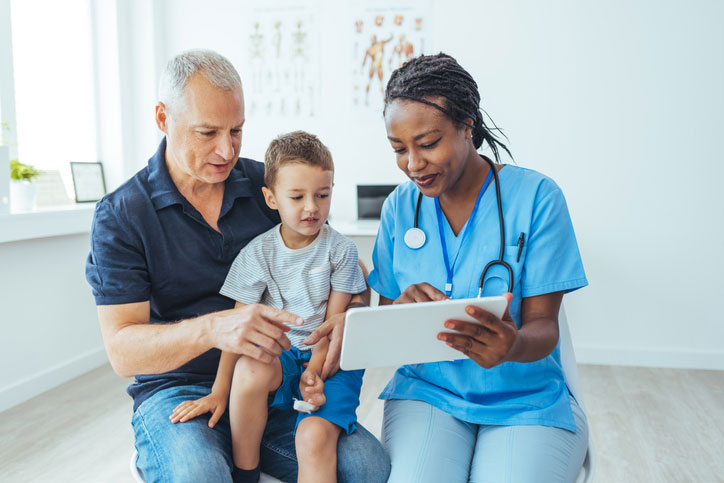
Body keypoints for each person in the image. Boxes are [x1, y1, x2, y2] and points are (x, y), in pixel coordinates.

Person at [85, 49, 389, 483]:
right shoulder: (122, 215)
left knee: (367, 468)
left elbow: (339, 267)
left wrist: (351, 311)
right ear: (161, 118)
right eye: (207, 132)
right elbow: (122, 350)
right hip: (181, 392)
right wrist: (215, 328)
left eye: (237, 130)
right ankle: (194, 456)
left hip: (279, 382)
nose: (226, 149)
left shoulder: (268, 184)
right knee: (197, 474)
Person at [367, 53, 589, 482]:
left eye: (428, 143)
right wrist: (399, 310)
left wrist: (512, 346)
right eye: (399, 149)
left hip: (524, 399)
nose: (413, 163)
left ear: (467, 126)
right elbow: (385, 325)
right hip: (427, 392)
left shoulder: (537, 198)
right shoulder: (399, 208)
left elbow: (545, 327)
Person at [169, 131, 367, 483]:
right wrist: (219, 390)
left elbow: (331, 327)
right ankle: (247, 472)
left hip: (330, 360)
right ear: (271, 198)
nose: (312, 207)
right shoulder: (257, 254)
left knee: (313, 438)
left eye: (323, 195)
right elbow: (238, 329)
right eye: (297, 196)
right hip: (283, 354)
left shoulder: (342, 251)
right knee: (250, 368)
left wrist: (315, 373)